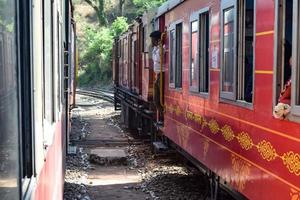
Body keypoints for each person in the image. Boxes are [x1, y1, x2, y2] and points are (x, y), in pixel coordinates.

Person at [150, 30, 164, 123]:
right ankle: (162, 115)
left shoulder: (162, 48)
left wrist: (158, 47)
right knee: (155, 99)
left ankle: (163, 117)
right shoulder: (156, 49)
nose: (151, 41)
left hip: (162, 75)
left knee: (158, 99)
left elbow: (158, 59)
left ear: (157, 39)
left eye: (152, 39)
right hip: (158, 75)